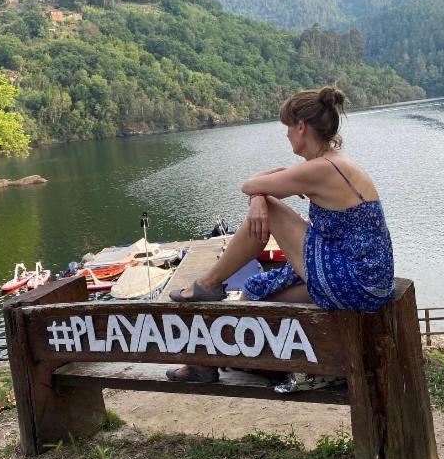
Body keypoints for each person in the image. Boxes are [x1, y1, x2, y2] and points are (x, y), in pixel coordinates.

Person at [167, 85, 395, 383]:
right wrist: (261, 197)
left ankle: (208, 283)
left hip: (353, 278)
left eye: (288, 127)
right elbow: (260, 187)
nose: (286, 134)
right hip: (368, 281)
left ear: (301, 127)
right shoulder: (330, 163)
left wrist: (262, 197)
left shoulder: (323, 169)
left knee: (271, 210)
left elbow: (249, 185)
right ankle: (204, 364)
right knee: (258, 293)